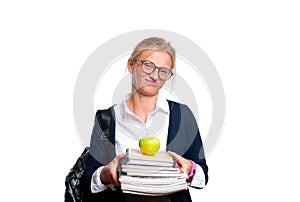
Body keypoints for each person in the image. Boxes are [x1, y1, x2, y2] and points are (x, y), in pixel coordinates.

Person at [83, 37, 208, 202]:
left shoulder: (182, 115)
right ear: (131, 65)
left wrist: (190, 168)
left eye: (163, 71)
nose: (155, 76)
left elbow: (203, 176)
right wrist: (106, 174)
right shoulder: (106, 119)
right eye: (148, 66)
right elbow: (88, 180)